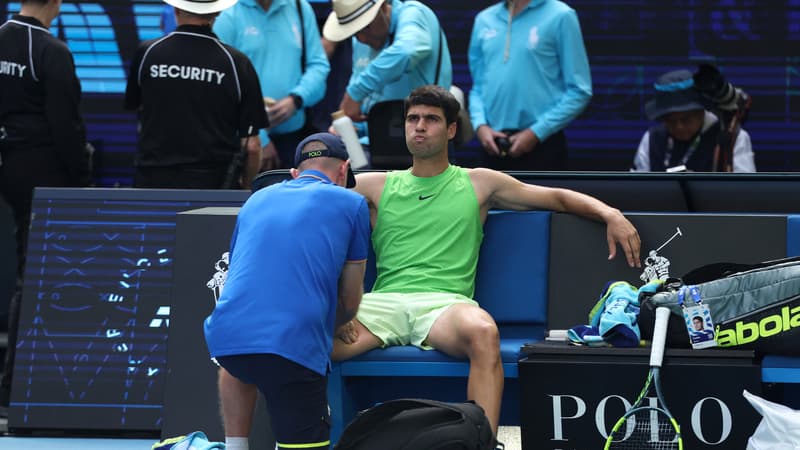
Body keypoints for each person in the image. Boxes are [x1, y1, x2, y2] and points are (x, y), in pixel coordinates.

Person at [333, 85, 641, 437]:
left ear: (451, 129)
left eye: (431, 119)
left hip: (445, 306)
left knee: (483, 333)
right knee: (303, 336)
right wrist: (336, 310)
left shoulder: (480, 182)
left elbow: (555, 197)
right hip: (384, 305)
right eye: (412, 118)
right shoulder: (373, 185)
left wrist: (610, 213)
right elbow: (309, 205)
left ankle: (482, 442)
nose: (419, 126)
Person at [204, 132, 371, 450]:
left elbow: (243, 274)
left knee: (240, 364)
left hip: (226, 339)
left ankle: (235, 446)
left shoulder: (256, 199)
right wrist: (337, 324)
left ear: (295, 173)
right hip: (294, 346)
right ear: (343, 170)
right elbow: (350, 300)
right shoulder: (353, 203)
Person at [0, 0, 91, 411]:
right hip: (38, 171)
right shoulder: (52, 51)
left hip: (10, 163)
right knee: (33, 274)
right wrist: (82, 182)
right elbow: (65, 125)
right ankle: (13, 388)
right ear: (55, 3)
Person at [124, 0, 268, 189]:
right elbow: (252, 146)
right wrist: (247, 189)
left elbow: (137, 110)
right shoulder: (237, 63)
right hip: (214, 185)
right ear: (217, 14)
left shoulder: (147, 53)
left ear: (176, 9)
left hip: (152, 180)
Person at [468, 0, 592, 171]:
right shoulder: (484, 19)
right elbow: (478, 87)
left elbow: (580, 90)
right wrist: (480, 125)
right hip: (491, 145)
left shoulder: (561, 15)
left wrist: (536, 132)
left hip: (543, 144)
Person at [213, 0, 330, 169]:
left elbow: (319, 65)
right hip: (244, 140)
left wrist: (296, 99)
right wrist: (258, 135)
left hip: (293, 138)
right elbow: (221, 84)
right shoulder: (227, 13)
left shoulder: (300, 8)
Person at [322, 0, 452, 132]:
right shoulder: (360, 42)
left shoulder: (413, 13)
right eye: (355, 33)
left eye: (366, 27)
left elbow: (407, 51)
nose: (362, 39)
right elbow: (361, 104)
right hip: (378, 135)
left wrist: (355, 93)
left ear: (383, 8)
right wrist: (350, 126)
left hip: (422, 135)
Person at [632, 69, 756, 172]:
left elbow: (746, 189)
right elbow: (637, 188)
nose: (679, 126)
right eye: (670, 121)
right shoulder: (651, 139)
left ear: (701, 110)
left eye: (686, 119)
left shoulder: (732, 137)